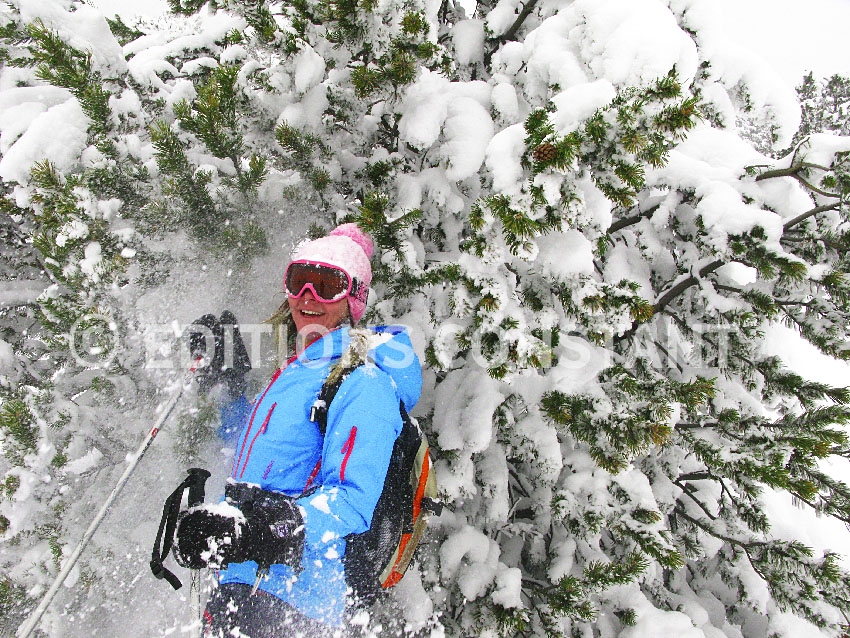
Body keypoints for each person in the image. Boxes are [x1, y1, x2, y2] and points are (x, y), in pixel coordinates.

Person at [174, 223, 422, 637]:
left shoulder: (363, 382)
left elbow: (353, 503)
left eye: (327, 285)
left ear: (353, 298)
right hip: (242, 591)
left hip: (300, 604)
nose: (309, 296)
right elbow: (268, 461)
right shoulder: (297, 375)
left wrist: (258, 531)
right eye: (299, 281)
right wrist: (231, 384)